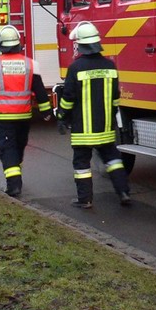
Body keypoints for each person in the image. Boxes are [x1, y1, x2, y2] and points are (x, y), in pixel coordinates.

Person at [56, 21, 131, 209]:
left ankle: (85, 199)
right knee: (113, 159)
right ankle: (123, 192)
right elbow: (115, 97)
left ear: (80, 45)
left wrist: (62, 116)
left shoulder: (75, 68)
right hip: (105, 127)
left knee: (82, 164)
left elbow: (68, 98)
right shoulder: (110, 66)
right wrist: (112, 116)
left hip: (83, 130)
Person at [0, 25, 52, 197]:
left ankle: (14, 185)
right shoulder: (31, 64)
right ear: (18, 44)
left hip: (2, 115)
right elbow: (39, 90)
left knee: (8, 148)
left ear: (0, 45)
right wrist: (46, 112)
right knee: (19, 145)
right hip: (24, 115)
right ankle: (16, 174)